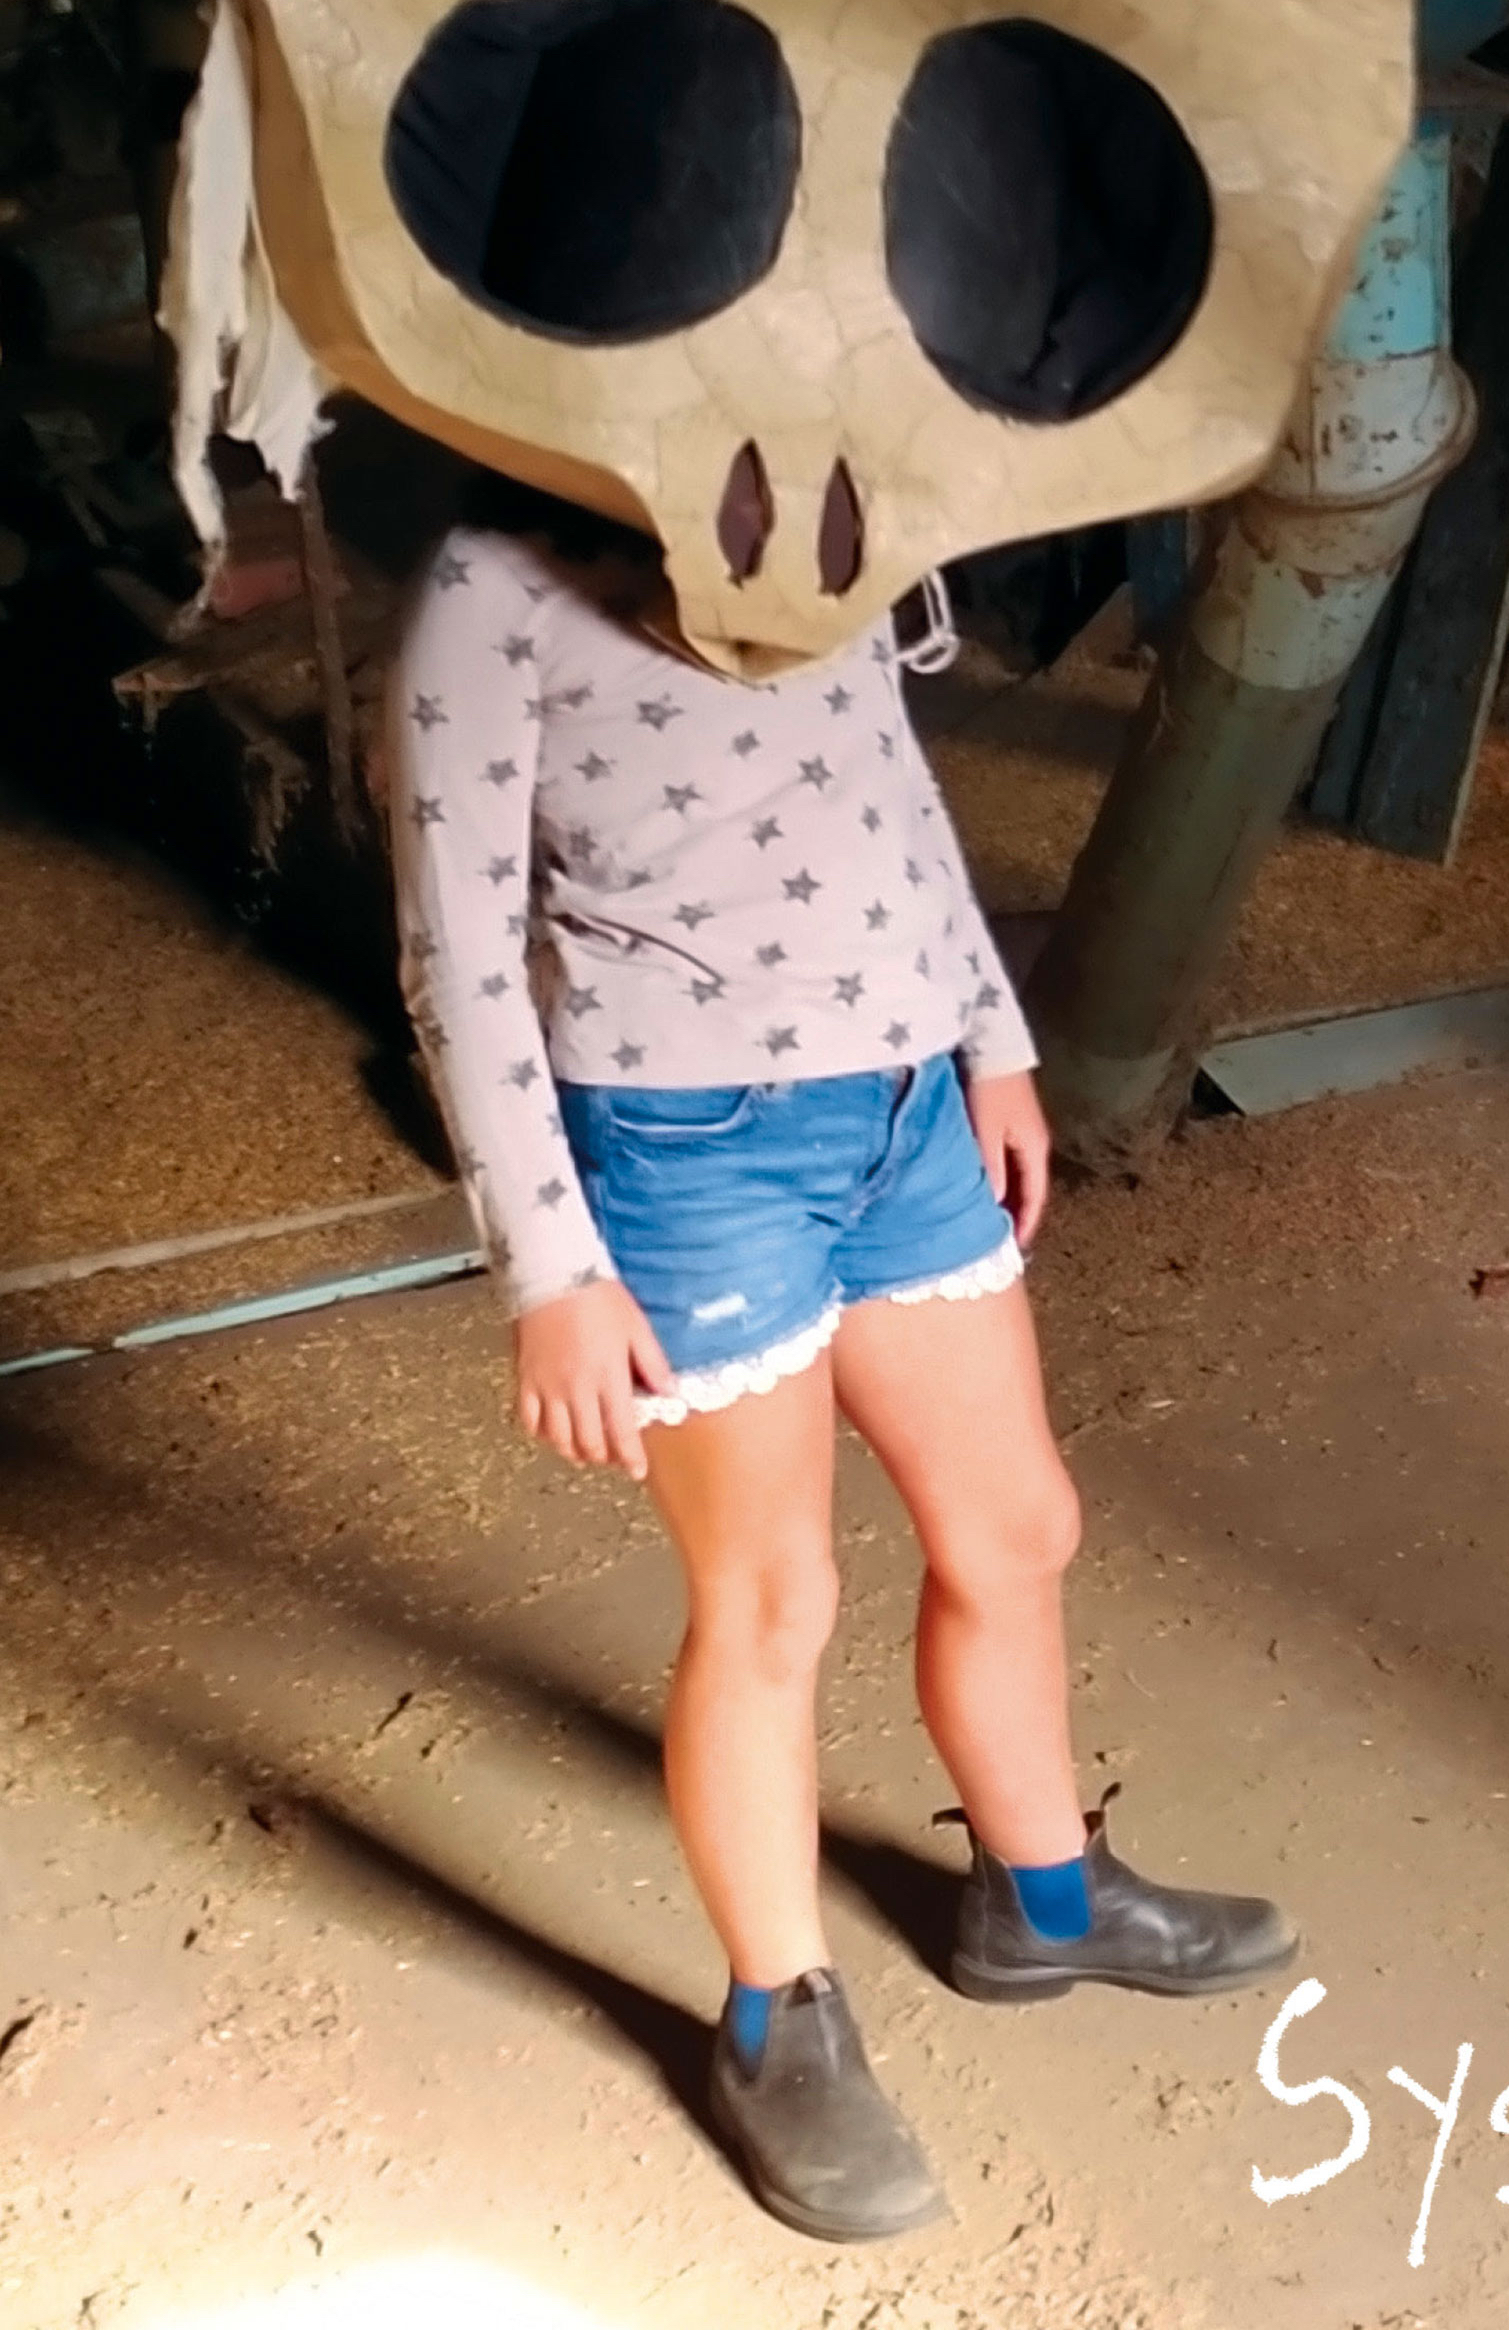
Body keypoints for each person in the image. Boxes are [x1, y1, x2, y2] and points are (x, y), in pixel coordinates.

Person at [384, 476, 1296, 2243]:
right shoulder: (490, 585)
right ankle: (776, 2021)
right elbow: (458, 960)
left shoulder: (816, 505)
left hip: (902, 1115)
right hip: (686, 1148)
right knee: (770, 1599)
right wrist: (550, 1269)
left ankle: (1043, 1902)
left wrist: (990, 1041)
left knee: (1018, 1527)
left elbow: (897, 799)